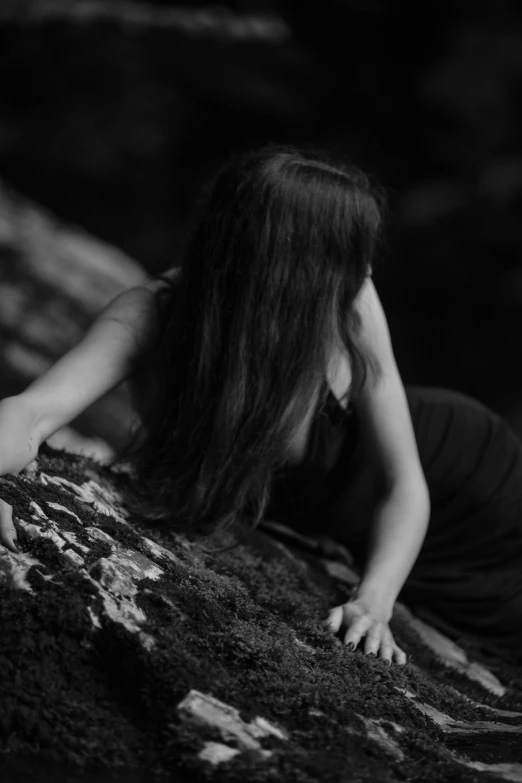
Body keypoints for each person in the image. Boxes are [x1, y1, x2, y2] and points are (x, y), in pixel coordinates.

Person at [1, 145, 521, 668]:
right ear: (290, 266)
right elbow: (34, 409)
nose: (363, 269)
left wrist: (374, 600)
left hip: (466, 483)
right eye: (348, 256)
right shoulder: (154, 313)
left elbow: (404, 483)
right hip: (362, 520)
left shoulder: (353, 297)